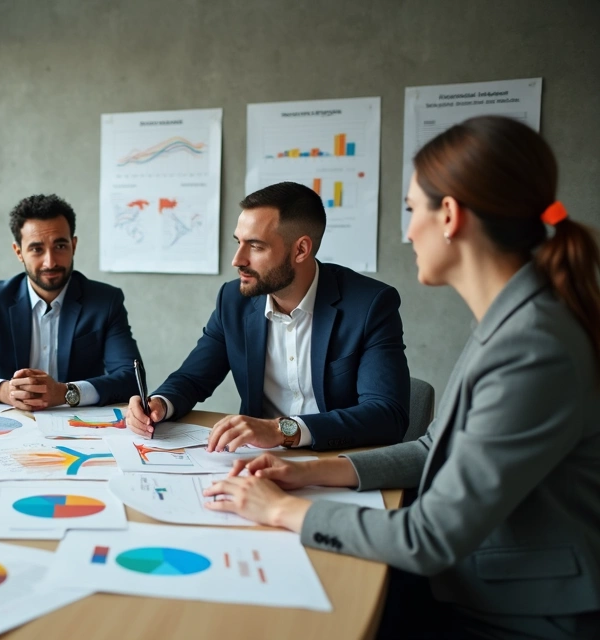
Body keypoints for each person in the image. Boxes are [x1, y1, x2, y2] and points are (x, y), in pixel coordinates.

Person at [204, 116, 600, 639]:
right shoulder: (510, 320)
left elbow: (430, 536)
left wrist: (283, 510)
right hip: (471, 580)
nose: (408, 229)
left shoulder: (533, 345)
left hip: (515, 610)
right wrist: (310, 473)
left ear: (451, 216)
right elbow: (431, 448)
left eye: (413, 210)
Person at [126, 182, 410, 451]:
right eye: (238, 242)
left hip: (334, 460)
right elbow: (192, 378)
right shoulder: (233, 300)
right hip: (254, 462)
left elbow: (387, 415)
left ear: (300, 249)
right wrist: (161, 404)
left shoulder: (369, 305)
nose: (237, 259)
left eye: (256, 246)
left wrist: (281, 430)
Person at [0, 194, 143, 410]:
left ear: (73, 245)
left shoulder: (105, 301)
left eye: (60, 246)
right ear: (19, 252)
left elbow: (131, 379)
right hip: (14, 423)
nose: (50, 261)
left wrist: (66, 393)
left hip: (82, 426)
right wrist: (6, 391)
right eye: (37, 249)